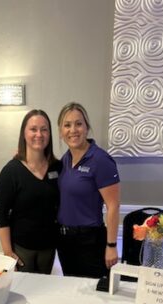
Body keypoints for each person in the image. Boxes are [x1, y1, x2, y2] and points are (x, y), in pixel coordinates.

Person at [57, 102, 120, 278]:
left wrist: (111, 245)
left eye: (78, 124)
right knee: (71, 289)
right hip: (65, 241)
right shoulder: (64, 160)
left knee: (93, 292)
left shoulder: (101, 160)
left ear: (86, 128)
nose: (73, 130)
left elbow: (113, 206)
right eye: (67, 125)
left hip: (90, 241)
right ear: (61, 132)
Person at [0, 109, 61, 274]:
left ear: (49, 134)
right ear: (24, 134)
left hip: (49, 248)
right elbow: (1, 216)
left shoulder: (58, 168)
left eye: (44, 129)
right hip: (21, 249)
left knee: (45, 287)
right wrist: (8, 252)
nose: (39, 134)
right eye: (33, 129)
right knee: (23, 289)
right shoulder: (11, 171)